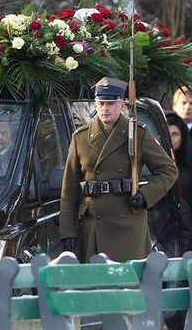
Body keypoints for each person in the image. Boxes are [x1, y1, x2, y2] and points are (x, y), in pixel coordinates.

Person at [59, 77, 178, 262]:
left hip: (128, 224)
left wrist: (146, 195)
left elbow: (168, 171)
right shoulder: (80, 138)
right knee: (94, 286)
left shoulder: (138, 134)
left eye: (111, 103)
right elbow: (70, 190)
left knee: (126, 285)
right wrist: (68, 232)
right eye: (101, 103)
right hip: (94, 226)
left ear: (122, 104)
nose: (105, 108)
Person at [165, 111, 192, 252]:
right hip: (163, 226)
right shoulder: (152, 162)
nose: (171, 139)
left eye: (175, 134)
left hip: (190, 225)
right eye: (167, 134)